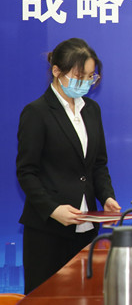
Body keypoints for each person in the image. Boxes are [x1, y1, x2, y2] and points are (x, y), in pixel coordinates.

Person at [16, 38, 120, 294]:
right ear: (56, 71)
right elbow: (27, 172)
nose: (85, 82)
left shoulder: (91, 110)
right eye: (79, 76)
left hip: (86, 228)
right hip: (48, 232)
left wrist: (106, 197)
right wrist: (53, 209)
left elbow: (98, 164)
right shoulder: (37, 112)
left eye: (90, 77)